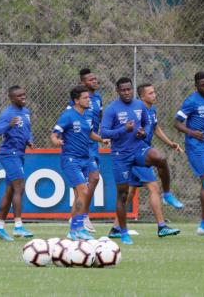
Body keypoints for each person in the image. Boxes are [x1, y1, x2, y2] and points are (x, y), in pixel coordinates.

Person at [101, 77, 176, 245]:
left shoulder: (139, 105)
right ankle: (124, 232)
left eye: (129, 89)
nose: (127, 92)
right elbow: (104, 132)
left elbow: (148, 124)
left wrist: (143, 132)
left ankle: (167, 194)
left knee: (160, 158)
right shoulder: (112, 109)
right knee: (123, 194)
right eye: (123, 90)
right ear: (118, 91)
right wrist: (123, 129)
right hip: (120, 155)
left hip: (138, 149)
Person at [51, 85, 108, 241]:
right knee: (83, 191)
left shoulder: (87, 116)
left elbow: (89, 133)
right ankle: (77, 228)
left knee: (79, 194)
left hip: (85, 158)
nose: (88, 100)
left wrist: (102, 139)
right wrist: (56, 141)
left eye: (88, 97)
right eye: (85, 98)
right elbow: (54, 134)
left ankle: (74, 231)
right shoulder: (68, 115)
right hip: (71, 159)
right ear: (76, 100)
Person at [174, 71, 204, 240]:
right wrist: (192, 133)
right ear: (196, 86)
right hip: (196, 146)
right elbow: (177, 123)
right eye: (203, 85)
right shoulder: (191, 101)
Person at [0, 85, 34, 241]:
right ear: (12, 98)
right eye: (19, 96)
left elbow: (28, 130)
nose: (23, 97)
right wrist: (9, 125)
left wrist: (29, 140)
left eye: (23, 94)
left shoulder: (26, 112)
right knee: (19, 187)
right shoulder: (8, 114)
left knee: (10, 191)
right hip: (9, 154)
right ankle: (18, 226)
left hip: (20, 154)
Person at [67, 68, 103, 233]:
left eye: (95, 78)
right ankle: (80, 218)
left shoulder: (98, 99)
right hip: (80, 147)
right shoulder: (75, 103)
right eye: (90, 80)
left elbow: (98, 120)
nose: (95, 81)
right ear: (83, 83)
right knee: (82, 186)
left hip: (93, 144)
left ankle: (81, 216)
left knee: (94, 179)